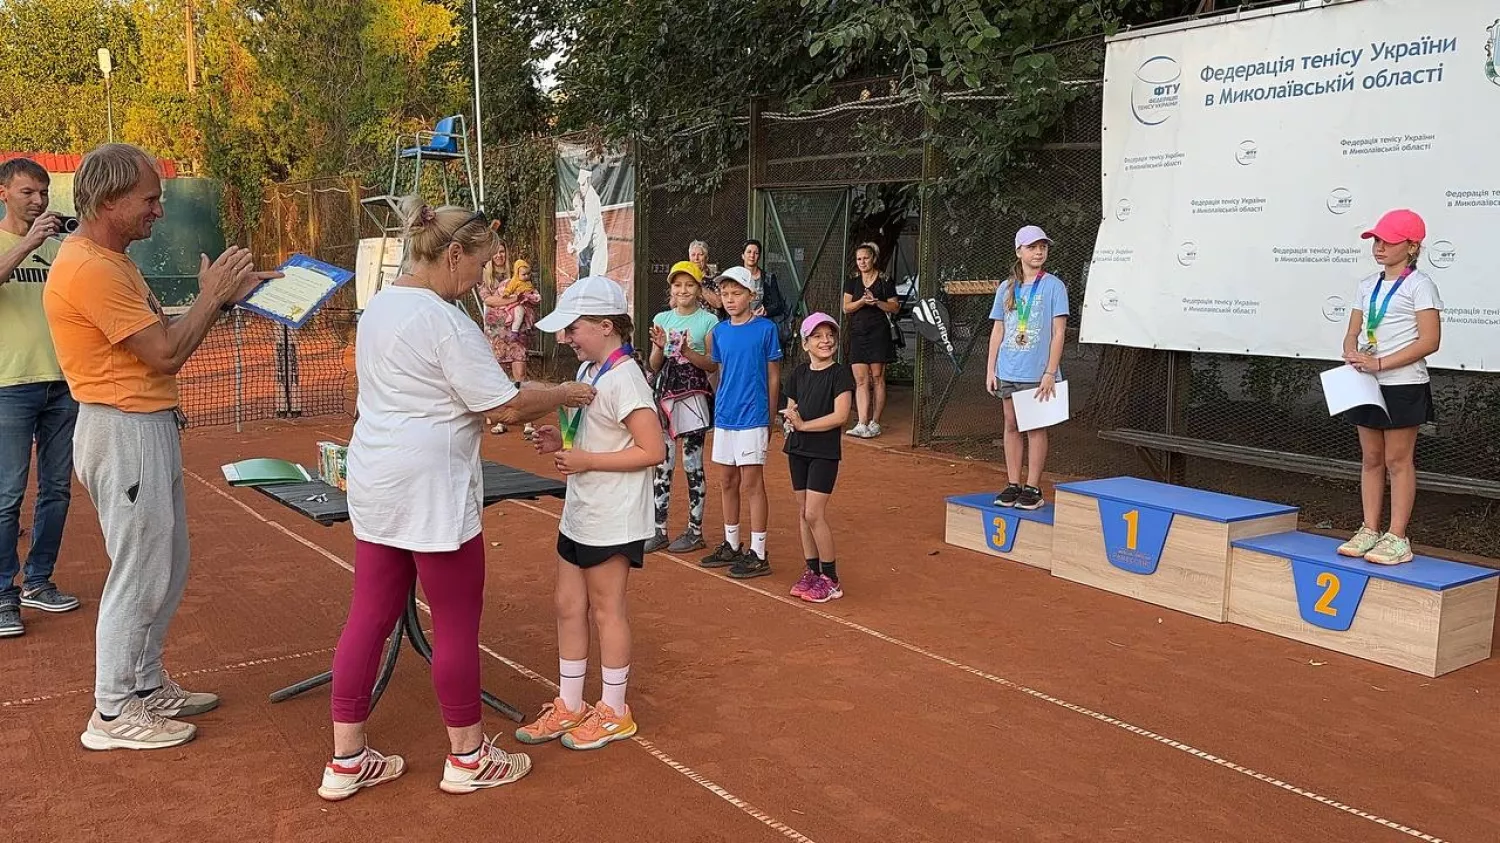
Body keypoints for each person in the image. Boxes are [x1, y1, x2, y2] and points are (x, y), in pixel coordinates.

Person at [319, 199, 595, 801]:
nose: (483, 281)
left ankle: (346, 761)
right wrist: (570, 392)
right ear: (452, 255)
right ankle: (468, 756)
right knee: (455, 622)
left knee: (369, 614)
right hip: (431, 488)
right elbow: (504, 404)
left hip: (377, 478)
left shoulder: (380, 308)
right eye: (480, 265)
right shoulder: (445, 322)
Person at [42, 143, 282, 749]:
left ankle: (144, 685)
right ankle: (114, 710)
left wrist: (222, 298)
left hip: (140, 426)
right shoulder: (91, 267)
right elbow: (167, 353)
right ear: (108, 200)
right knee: (140, 569)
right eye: (149, 199)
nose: (158, 210)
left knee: (165, 563)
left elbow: (161, 335)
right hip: (122, 429)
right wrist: (212, 295)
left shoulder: (110, 260)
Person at [518, 275, 665, 751]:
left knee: (607, 610)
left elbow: (652, 449)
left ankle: (615, 711)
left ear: (605, 326)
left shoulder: (626, 378)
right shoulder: (587, 374)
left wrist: (587, 460)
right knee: (567, 606)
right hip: (581, 509)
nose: (566, 338)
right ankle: (571, 703)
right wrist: (558, 443)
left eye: (574, 328)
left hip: (613, 513)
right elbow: (583, 434)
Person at [0, 157, 80, 639]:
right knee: (7, 495)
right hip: (9, 385)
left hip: (63, 382)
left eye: (44, 193)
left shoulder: (59, 249)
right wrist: (29, 244)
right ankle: (3, 595)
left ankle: (39, 581)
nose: (39, 201)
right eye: (28, 192)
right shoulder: (19, 242)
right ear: (4, 193)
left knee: (57, 489)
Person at [1337, 209, 1442, 566]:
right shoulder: (1366, 285)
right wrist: (1351, 350)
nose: (1379, 247)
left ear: (1412, 247)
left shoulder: (1420, 284)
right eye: (1376, 241)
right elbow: (1353, 329)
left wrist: (1381, 363)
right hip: (1366, 382)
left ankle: (1397, 537)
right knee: (1371, 459)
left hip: (1403, 383)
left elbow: (1430, 341)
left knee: (1398, 461)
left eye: (1388, 241)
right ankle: (1369, 528)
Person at [698, 267, 781, 578]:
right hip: (724, 418)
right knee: (727, 481)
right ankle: (732, 544)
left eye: (736, 293)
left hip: (753, 417)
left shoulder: (766, 329)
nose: (730, 299)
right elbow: (718, 374)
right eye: (725, 294)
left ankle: (759, 553)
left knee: (752, 483)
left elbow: (773, 376)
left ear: (751, 295)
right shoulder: (719, 332)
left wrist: (770, 418)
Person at [984, 226, 1069, 511]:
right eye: (1032, 247)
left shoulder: (1054, 286)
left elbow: (1059, 332)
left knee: (1035, 426)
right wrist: (990, 369)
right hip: (1008, 368)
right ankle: (1012, 483)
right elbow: (998, 330)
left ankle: (1033, 487)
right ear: (1019, 251)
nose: (1039, 252)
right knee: (1011, 424)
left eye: (1043, 246)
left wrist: (1050, 372)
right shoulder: (1006, 288)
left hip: (1038, 372)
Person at [645, 261, 719, 554]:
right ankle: (659, 529)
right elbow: (654, 364)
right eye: (678, 285)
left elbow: (713, 364)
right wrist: (658, 346)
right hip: (665, 395)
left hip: (694, 396)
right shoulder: (661, 318)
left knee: (692, 464)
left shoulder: (708, 321)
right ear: (671, 289)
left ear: (699, 289)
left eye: (689, 284)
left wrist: (689, 352)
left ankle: (695, 531)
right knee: (662, 463)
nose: (683, 290)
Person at [780, 313, 854, 603]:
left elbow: (840, 416)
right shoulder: (798, 373)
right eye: (818, 336)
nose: (826, 341)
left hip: (824, 451)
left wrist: (804, 426)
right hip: (797, 449)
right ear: (805, 343)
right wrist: (791, 421)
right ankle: (811, 571)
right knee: (803, 513)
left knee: (814, 513)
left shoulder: (840, 374)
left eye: (830, 335)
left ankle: (831, 579)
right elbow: (791, 408)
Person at [841, 242, 899, 438]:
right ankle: (861, 422)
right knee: (860, 379)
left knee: (877, 377)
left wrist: (877, 302)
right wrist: (862, 302)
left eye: (866, 258)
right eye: (859, 259)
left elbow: (894, 307)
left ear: (873, 258)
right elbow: (846, 307)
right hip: (858, 332)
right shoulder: (853, 281)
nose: (862, 262)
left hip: (878, 333)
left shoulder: (884, 280)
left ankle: (875, 421)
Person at [480, 258, 541, 435]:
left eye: (502, 251)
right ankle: (502, 418)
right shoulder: (485, 278)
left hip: (517, 331)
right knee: (500, 375)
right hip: (496, 331)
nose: (500, 255)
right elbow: (489, 301)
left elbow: (531, 297)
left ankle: (527, 420)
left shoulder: (519, 273)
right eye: (496, 252)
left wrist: (525, 299)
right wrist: (514, 298)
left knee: (519, 372)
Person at [688, 239, 721, 312]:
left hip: (711, 320)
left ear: (707, 258)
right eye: (693, 255)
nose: (696, 258)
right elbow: (672, 304)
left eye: (700, 254)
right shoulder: (684, 276)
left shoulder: (716, 277)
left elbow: (719, 303)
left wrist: (698, 283)